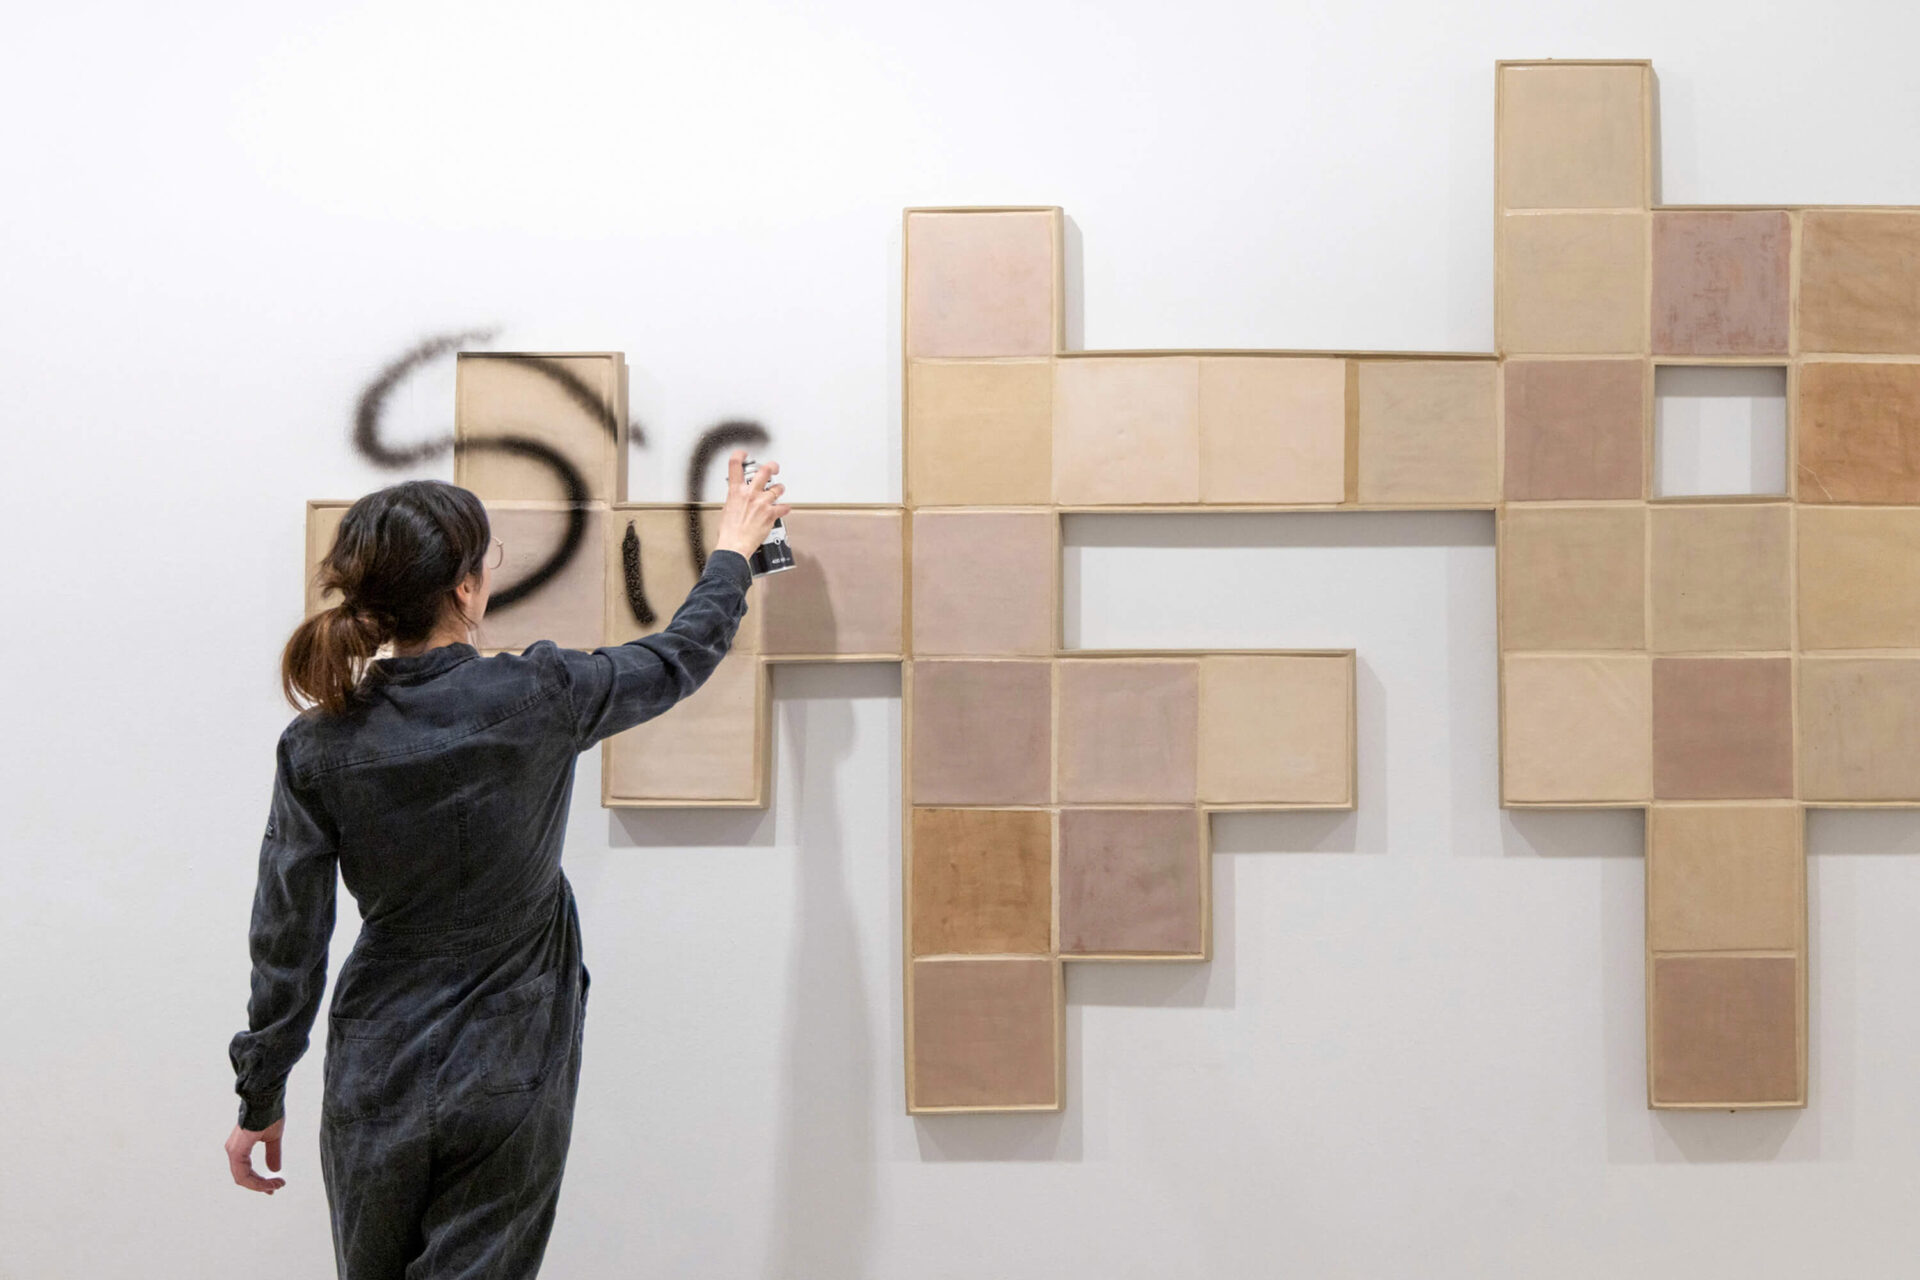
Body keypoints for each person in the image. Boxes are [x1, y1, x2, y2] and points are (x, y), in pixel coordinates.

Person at [224, 450, 790, 1278]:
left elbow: (288, 937)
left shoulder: (317, 745)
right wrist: (736, 550)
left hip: (375, 1066)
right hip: (510, 1061)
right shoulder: (542, 694)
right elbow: (680, 655)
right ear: (463, 588)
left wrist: (260, 1095)